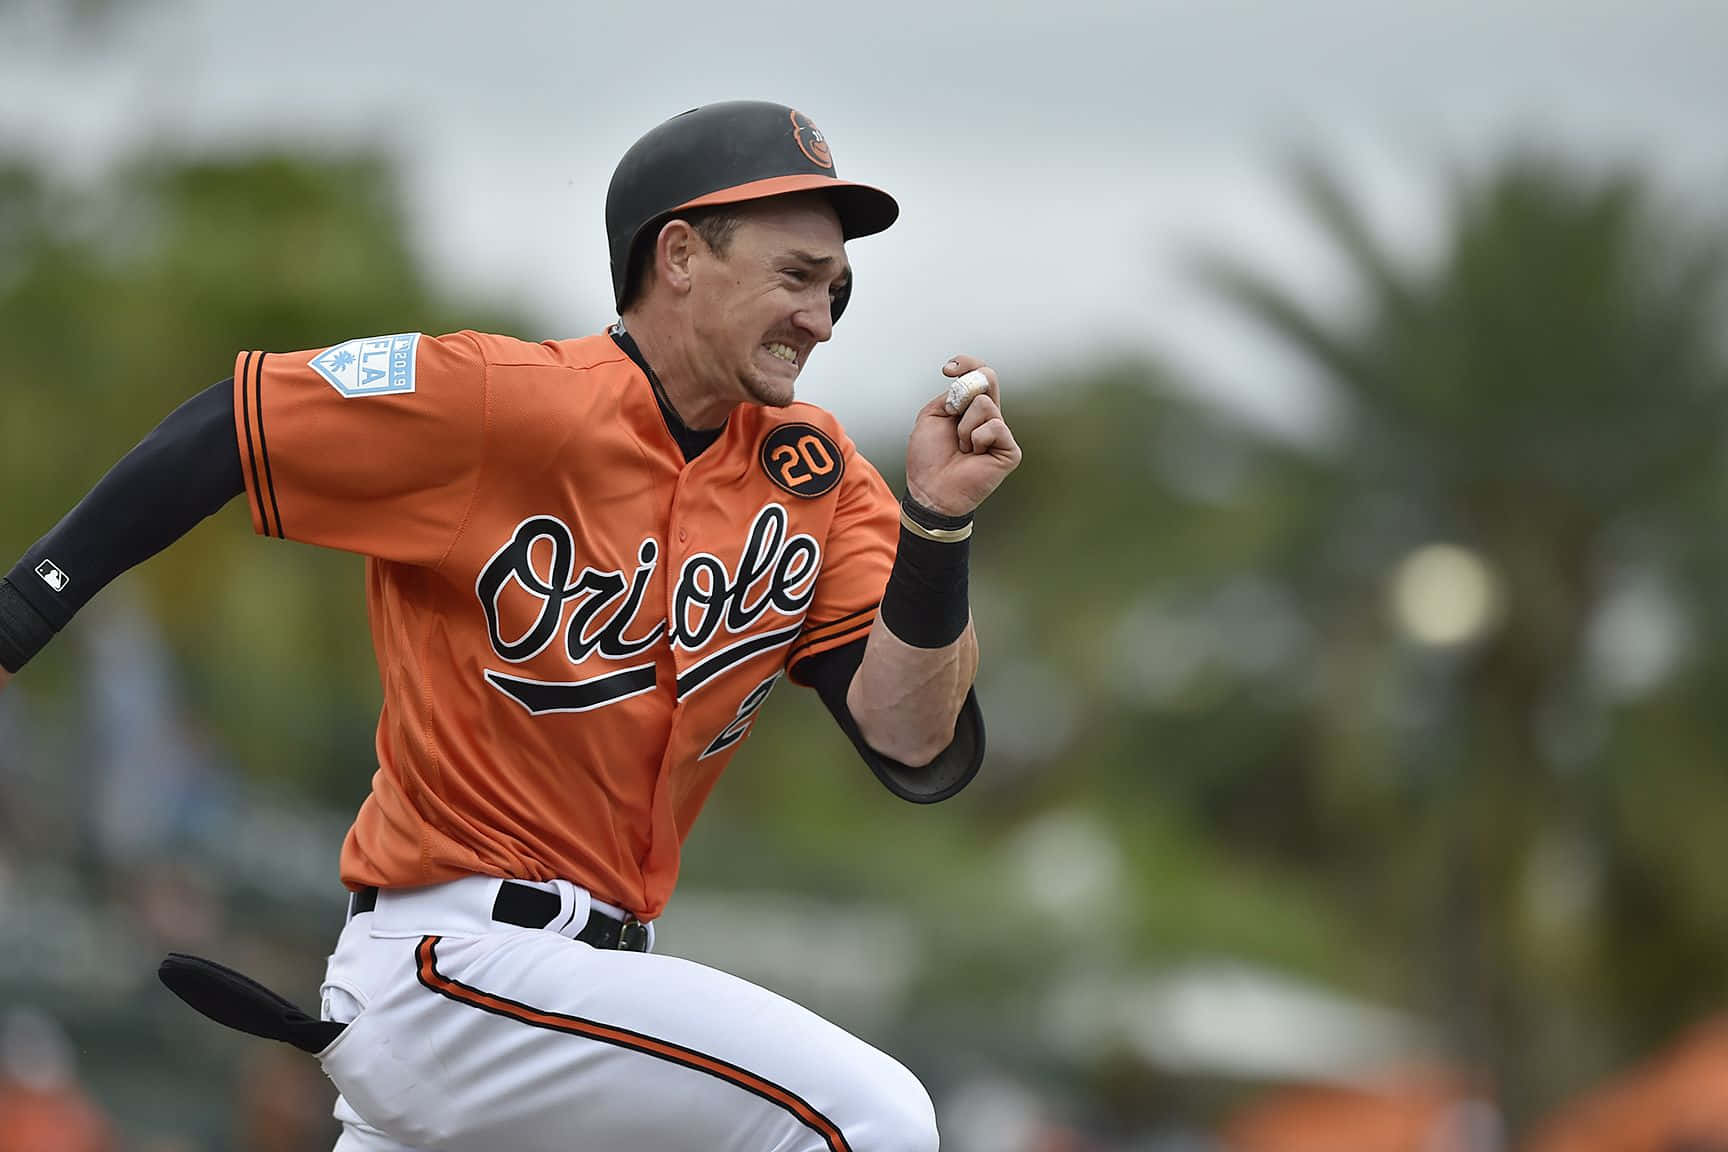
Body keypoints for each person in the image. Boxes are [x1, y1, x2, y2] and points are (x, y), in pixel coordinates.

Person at [0, 100, 1020, 1151]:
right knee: (875, 1116)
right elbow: (229, 428)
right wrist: (13, 626)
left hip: (575, 1005)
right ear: (677, 255)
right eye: (795, 276)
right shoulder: (502, 403)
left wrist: (935, 527)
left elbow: (912, 736)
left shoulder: (819, 479)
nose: (823, 316)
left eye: (837, 286)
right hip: (459, 969)